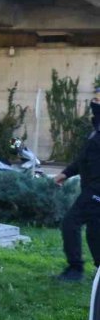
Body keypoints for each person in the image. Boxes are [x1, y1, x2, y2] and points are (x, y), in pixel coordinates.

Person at [55, 89, 100, 282]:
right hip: (91, 189)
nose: (94, 103)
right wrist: (66, 173)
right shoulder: (96, 130)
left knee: (70, 223)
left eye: (98, 100)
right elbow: (85, 159)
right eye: (94, 98)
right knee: (95, 231)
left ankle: (75, 269)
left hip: (95, 191)